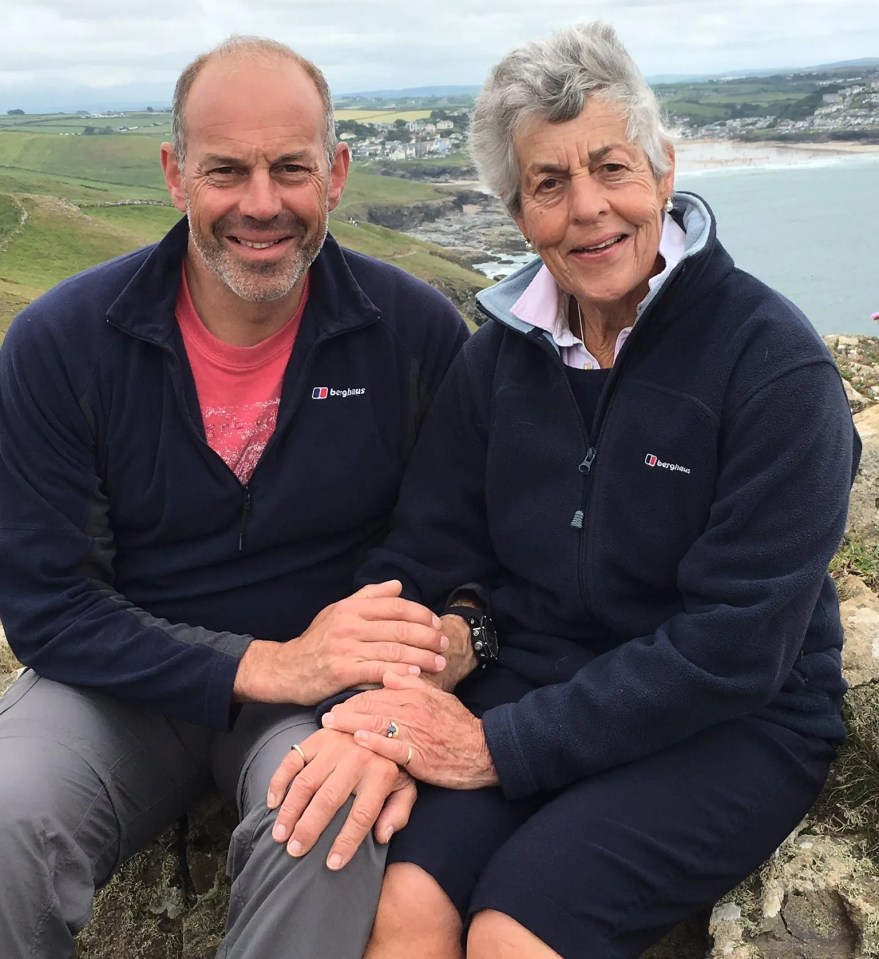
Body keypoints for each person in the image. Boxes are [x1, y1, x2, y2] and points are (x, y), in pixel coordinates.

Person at [269, 20, 861, 959]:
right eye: (549, 183)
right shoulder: (497, 357)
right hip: (529, 686)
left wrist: (496, 748)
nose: (588, 209)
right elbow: (427, 548)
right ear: (518, 213)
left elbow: (736, 645)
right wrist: (387, 697)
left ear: (664, 172)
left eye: (612, 167)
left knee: (512, 929)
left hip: (726, 722)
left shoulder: (770, 364)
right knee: (401, 907)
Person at [0, 36, 470, 959]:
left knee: (327, 824)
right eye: (227, 170)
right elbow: (47, 607)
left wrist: (356, 691)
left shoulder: (416, 334)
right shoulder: (60, 343)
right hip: (117, 685)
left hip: (325, 701)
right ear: (177, 175)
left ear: (334, 173)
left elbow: (445, 549)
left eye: (291, 168)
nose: (262, 204)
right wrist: (265, 662)